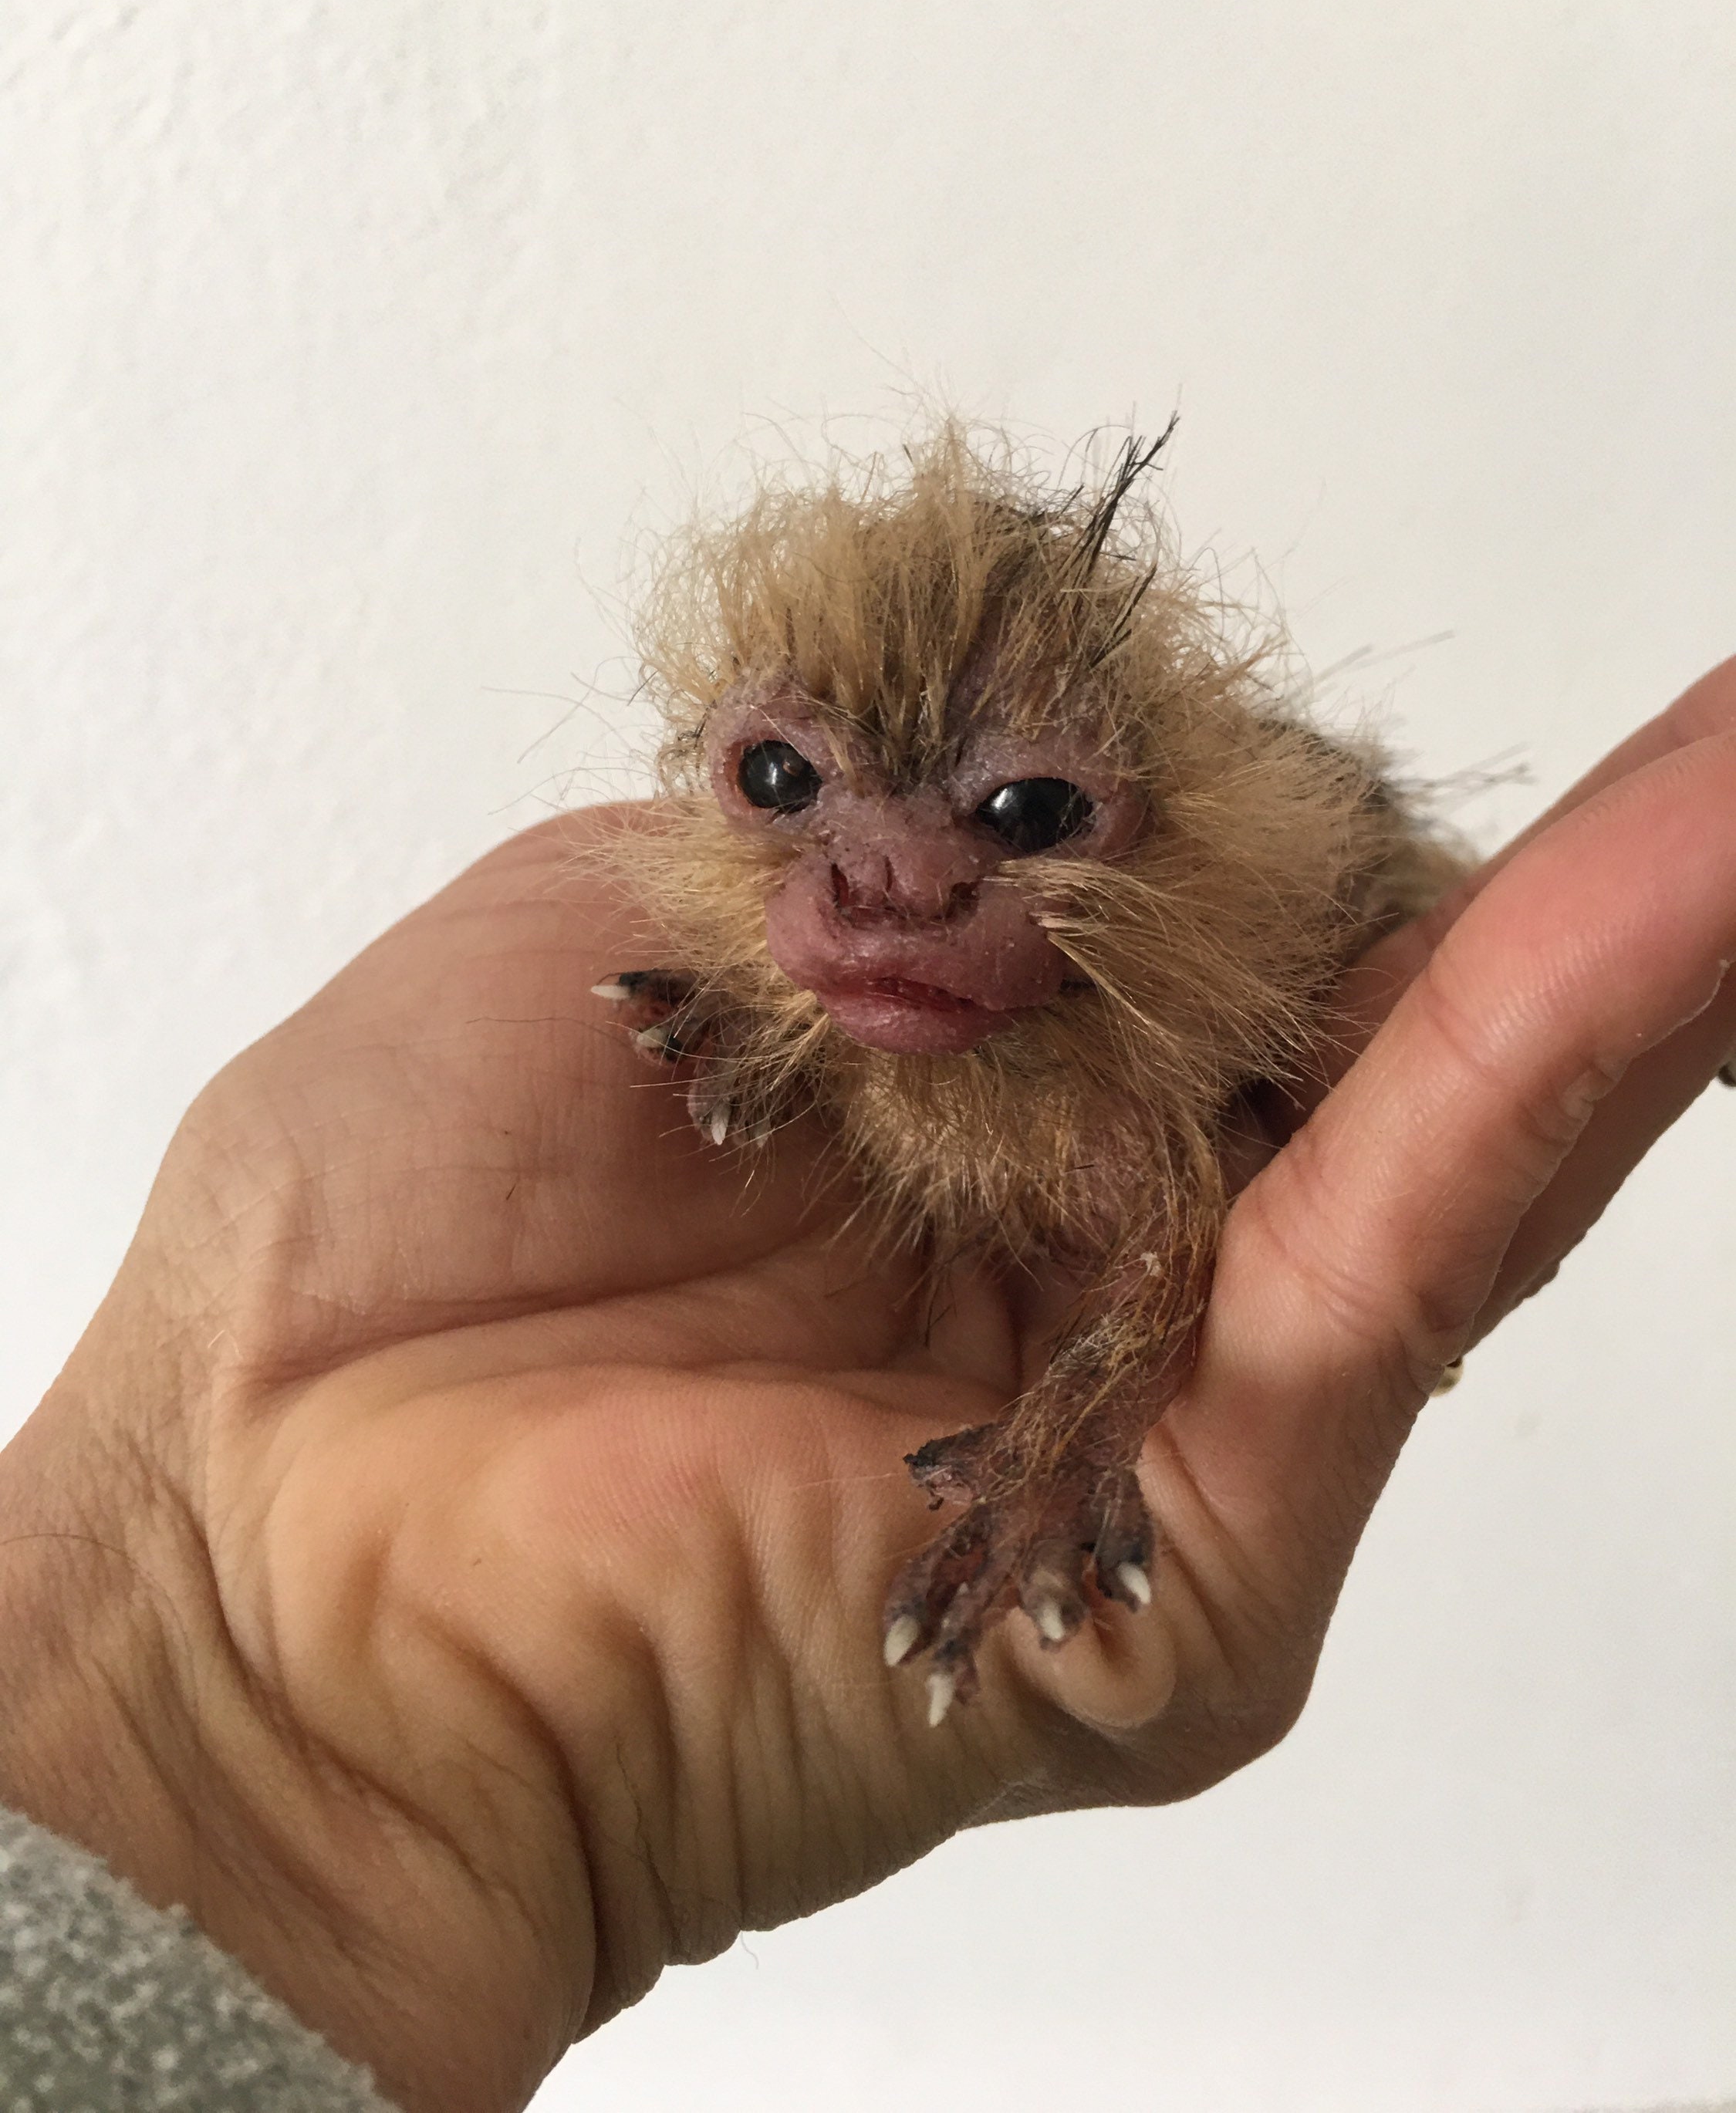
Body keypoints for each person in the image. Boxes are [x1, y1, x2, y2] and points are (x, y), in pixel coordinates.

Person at [2, 660, 1732, 2113]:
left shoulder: (1173, 1051)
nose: (888, 886)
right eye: (785, 780)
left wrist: (1066, 1449)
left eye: (1027, 817)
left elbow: (1161, 1270)